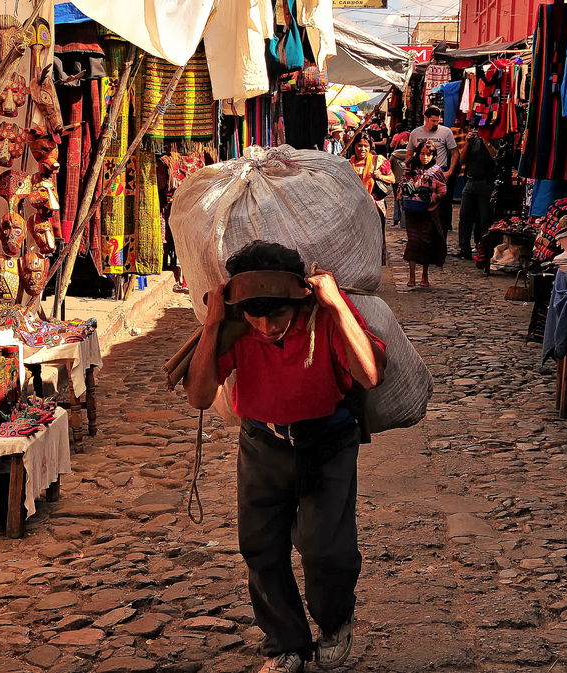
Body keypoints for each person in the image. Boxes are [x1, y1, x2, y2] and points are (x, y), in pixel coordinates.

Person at [184, 241, 387, 673]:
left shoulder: (327, 317)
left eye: (275, 314)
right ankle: (285, 642)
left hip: (326, 443)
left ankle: (334, 624)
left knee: (324, 548)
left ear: (298, 300)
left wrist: (334, 303)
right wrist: (214, 321)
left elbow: (369, 375)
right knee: (260, 547)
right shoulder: (236, 325)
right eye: (254, 315)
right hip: (263, 443)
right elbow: (200, 395)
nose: (265, 325)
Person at [401, 140, 448, 287]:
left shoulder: (437, 171)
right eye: (422, 153)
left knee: (426, 242)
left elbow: (443, 190)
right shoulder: (410, 168)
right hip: (411, 211)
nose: (425, 157)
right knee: (413, 241)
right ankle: (412, 276)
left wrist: (434, 197)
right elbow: (402, 183)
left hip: (428, 212)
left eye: (429, 154)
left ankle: (424, 275)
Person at [409, 106, 459, 233]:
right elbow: (409, 155)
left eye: (438, 121)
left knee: (442, 209)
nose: (436, 124)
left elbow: (455, 153)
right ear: (426, 119)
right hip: (421, 176)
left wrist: (450, 171)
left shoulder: (446, 132)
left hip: (440, 174)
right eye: (433, 121)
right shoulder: (415, 133)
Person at [347, 133, 395, 263]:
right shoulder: (348, 163)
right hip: (355, 207)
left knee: (374, 235)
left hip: (375, 206)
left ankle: (374, 262)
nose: (362, 149)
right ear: (354, 146)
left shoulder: (378, 161)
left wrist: (379, 176)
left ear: (370, 147)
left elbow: (392, 178)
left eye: (365, 146)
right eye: (359, 145)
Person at [456, 127, 497, 259]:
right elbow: (462, 159)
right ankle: (464, 248)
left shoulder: (495, 138)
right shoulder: (473, 141)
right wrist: (467, 142)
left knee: (485, 218)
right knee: (464, 216)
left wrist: (487, 142)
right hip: (470, 181)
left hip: (486, 183)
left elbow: (496, 157)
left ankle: (484, 249)